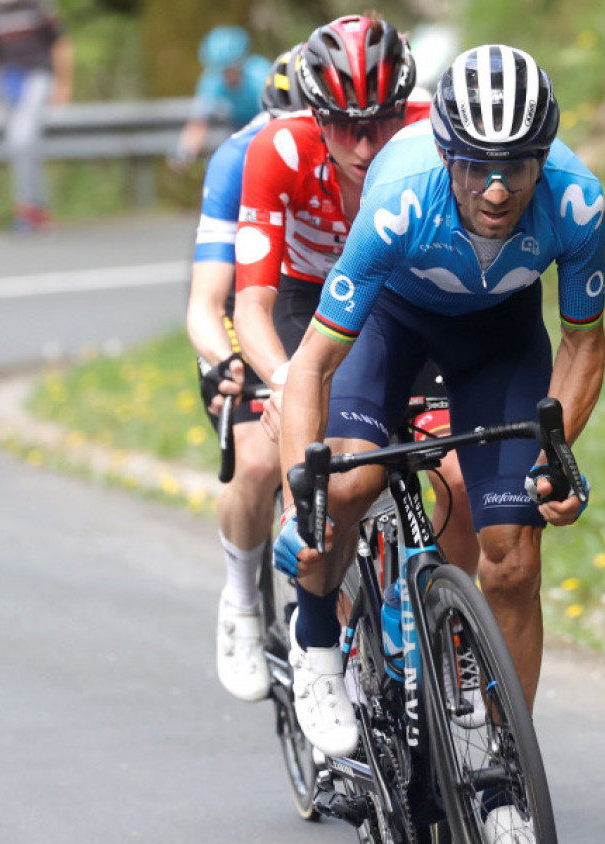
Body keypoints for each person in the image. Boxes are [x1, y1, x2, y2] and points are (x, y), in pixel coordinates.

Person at [273, 43, 605, 844]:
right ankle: (317, 635)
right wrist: (300, 494)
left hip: (500, 340)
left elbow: (582, 344)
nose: (498, 191)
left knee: (514, 562)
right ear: (446, 153)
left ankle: (501, 775)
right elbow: (311, 365)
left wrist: (554, 453)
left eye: (518, 169)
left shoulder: (578, 204)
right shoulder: (396, 202)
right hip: (392, 323)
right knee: (350, 480)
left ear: (544, 160)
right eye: (477, 170)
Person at [228, 13, 478, 699]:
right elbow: (252, 303)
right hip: (306, 301)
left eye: (383, 121)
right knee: (341, 475)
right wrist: (283, 382)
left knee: (456, 474)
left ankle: (453, 631)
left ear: (407, 107)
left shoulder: (439, 132)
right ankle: (319, 643)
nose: (366, 145)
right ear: (315, 114)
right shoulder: (276, 152)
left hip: (401, 301)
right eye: (342, 124)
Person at [187, 44, 306, 702]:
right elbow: (207, 302)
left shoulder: (361, 148)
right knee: (258, 463)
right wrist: (224, 359)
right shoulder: (238, 159)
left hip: (324, 306)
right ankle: (240, 600)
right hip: (252, 310)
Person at [0, 0, 74, 232]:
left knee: (22, 138)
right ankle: (35, 207)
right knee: (17, 148)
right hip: (8, 81)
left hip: (37, 77)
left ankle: (27, 207)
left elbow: (60, 44)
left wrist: (64, 84)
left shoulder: (37, 7)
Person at [172, 25, 270, 170]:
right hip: (237, 131)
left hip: (266, 128)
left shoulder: (261, 75)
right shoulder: (211, 82)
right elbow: (199, 123)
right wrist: (183, 153)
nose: (227, 76)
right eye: (222, 71)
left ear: (241, 63)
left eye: (231, 70)